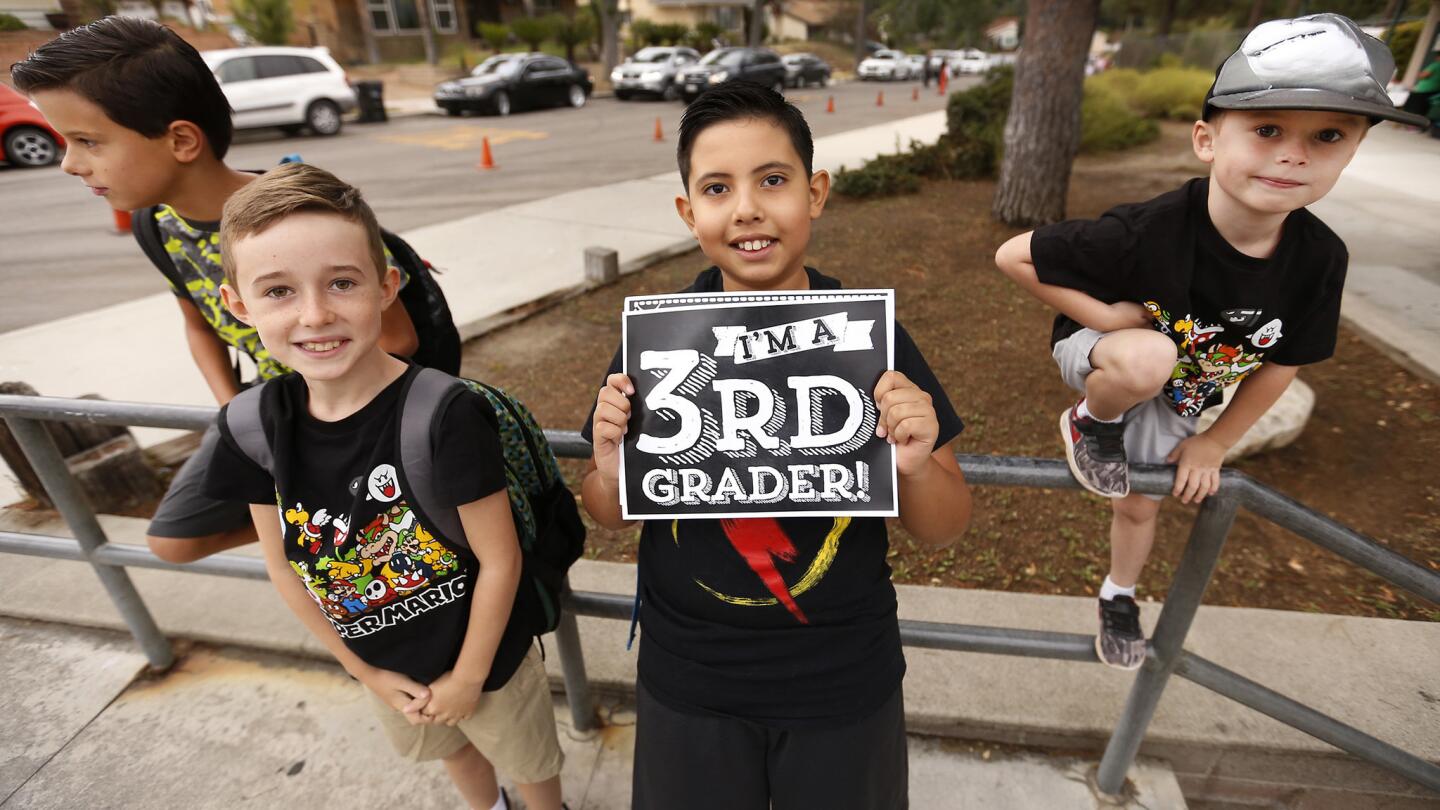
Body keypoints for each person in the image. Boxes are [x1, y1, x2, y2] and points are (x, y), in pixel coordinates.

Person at [580, 82, 973, 809]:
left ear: (815, 193)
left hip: (841, 677)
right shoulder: (658, 346)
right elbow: (606, 511)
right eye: (717, 187)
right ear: (688, 211)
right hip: (688, 676)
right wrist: (610, 469)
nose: (748, 208)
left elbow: (944, 527)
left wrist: (915, 466)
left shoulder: (872, 338)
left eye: (772, 180)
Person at [993, 14, 1428, 670]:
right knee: (1148, 354)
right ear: (1206, 139)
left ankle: (1118, 594)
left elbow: (1282, 364)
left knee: (1140, 503)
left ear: (1353, 148)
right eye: (1267, 129)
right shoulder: (1149, 230)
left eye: (1329, 136)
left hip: (1186, 391)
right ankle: (1090, 422)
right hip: (1109, 355)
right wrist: (1110, 321)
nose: (1295, 154)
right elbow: (1013, 256)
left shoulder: (1319, 259)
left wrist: (1216, 441)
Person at [10, 16, 455, 566]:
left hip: (355, 409)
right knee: (172, 540)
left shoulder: (302, 213)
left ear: (180, 140)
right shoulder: (157, 224)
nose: (71, 164)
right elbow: (198, 322)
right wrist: (236, 413)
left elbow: (399, 339)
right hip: (268, 409)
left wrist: (309, 432)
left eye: (87, 141)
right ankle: (311, 529)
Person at [201, 163, 565, 810]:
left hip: (491, 660)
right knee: (452, 754)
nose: (315, 315)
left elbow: (500, 557)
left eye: (342, 283)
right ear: (236, 305)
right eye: (278, 291)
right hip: (384, 665)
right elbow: (285, 565)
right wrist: (365, 671)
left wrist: (468, 677)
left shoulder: (444, 414)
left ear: (386, 286)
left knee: (528, 763)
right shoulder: (251, 425)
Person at [1401, 49, 1440, 132]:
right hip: (1434, 91)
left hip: (1423, 90)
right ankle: (1420, 126)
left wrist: (1420, 74)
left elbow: (1424, 75)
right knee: (1424, 109)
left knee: (1414, 108)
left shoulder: (1435, 65)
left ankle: (1411, 125)